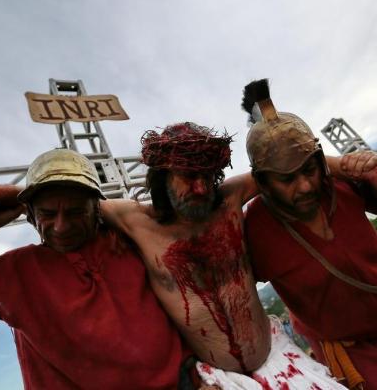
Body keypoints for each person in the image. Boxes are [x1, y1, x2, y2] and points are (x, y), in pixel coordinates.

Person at [101, 122, 347, 389]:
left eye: (207, 177)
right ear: (163, 178)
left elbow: (289, 163)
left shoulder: (230, 199)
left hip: (277, 358)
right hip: (214, 379)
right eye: (188, 177)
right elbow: (76, 203)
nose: (201, 189)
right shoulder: (136, 221)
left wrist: (352, 164)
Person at [0, 148, 191, 390]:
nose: (61, 227)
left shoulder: (129, 240)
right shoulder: (15, 273)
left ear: (97, 210)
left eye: (75, 212)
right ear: (30, 216)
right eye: (47, 213)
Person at [242, 79, 377, 389]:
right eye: (286, 179)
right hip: (352, 356)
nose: (304, 186)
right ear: (262, 182)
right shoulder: (256, 228)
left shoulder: (340, 185)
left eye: (308, 169)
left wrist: (358, 166)